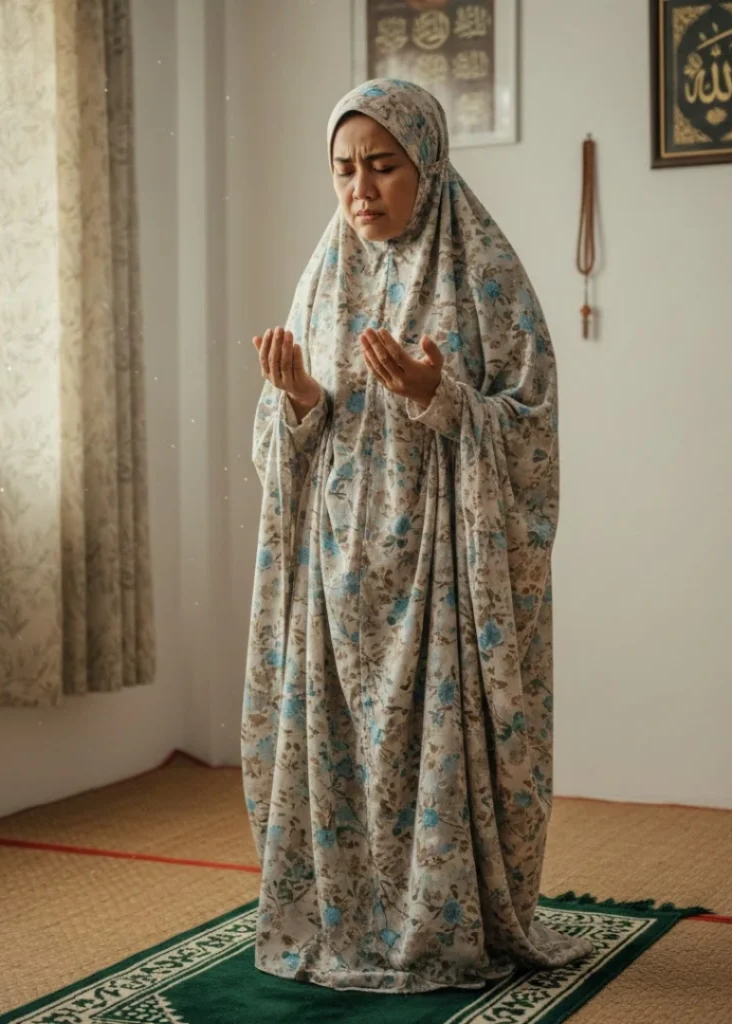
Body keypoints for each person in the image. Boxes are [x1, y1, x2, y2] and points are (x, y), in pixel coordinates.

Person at [242, 79, 593, 993]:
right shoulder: (322, 278)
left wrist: (441, 398)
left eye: (383, 166)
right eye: (343, 169)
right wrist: (299, 402)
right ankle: (351, 923)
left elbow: (531, 426)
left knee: (430, 754)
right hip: (340, 571)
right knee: (346, 751)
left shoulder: (485, 274)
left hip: (442, 577)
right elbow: (284, 442)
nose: (360, 189)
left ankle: (441, 928)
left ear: (427, 165)